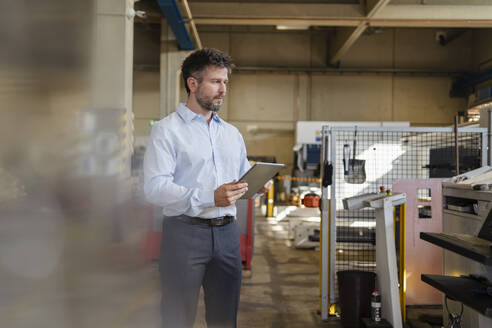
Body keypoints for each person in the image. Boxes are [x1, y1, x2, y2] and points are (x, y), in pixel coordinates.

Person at [143, 48, 271, 328]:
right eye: (216, 82)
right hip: (184, 234)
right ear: (193, 83)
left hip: (227, 235)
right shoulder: (166, 131)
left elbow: (239, 177)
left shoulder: (231, 134)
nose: (223, 90)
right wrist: (208, 197)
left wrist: (256, 183)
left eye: (225, 82)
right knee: (177, 318)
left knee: (225, 319)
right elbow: (154, 187)